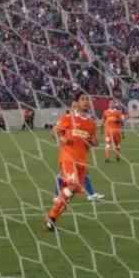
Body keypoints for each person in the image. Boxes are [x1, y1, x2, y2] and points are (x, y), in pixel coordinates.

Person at [45, 92, 98, 231]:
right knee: (73, 186)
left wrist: (94, 142)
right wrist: (63, 139)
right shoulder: (68, 118)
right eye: (82, 99)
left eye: (87, 99)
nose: (85, 102)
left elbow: (94, 141)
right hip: (68, 158)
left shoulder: (92, 123)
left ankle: (52, 220)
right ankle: (50, 216)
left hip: (82, 161)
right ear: (77, 103)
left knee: (71, 194)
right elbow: (53, 133)